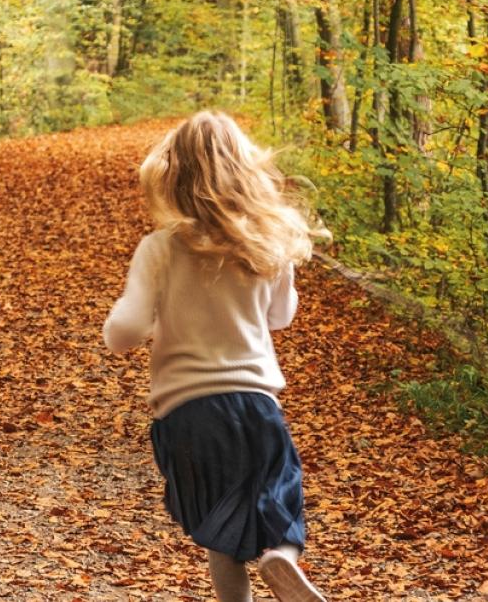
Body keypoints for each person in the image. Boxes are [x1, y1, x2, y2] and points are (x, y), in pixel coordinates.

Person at [103, 111, 329, 601]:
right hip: (256, 404)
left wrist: (123, 331)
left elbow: (126, 329)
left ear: (175, 177)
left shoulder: (160, 248)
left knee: (220, 531)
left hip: (187, 415)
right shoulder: (265, 242)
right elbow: (280, 317)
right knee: (278, 502)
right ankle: (281, 559)